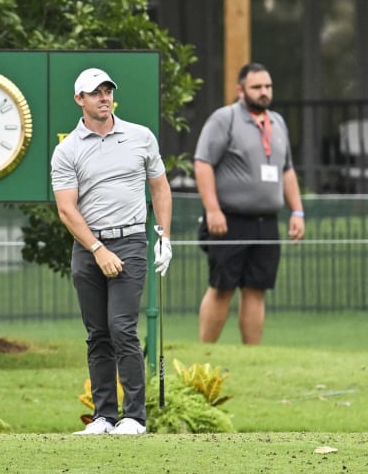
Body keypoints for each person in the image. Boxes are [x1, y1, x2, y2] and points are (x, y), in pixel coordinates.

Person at [51, 67, 173, 436]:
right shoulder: (67, 149)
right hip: (89, 248)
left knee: (122, 328)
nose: (104, 97)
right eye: (95, 92)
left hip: (131, 240)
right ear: (80, 100)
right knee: (97, 333)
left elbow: (160, 187)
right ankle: (104, 416)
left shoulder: (140, 137)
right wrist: (97, 248)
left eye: (107, 91)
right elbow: (66, 209)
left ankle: (134, 417)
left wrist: (164, 236)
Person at [194, 62, 305, 345]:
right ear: (240, 90)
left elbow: (287, 170)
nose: (264, 92)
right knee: (222, 288)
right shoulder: (224, 119)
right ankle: (205, 353)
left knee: (257, 288)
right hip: (229, 220)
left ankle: (251, 355)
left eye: (267, 87)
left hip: (266, 222)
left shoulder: (277, 122)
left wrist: (297, 211)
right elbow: (203, 163)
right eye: (257, 87)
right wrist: (212, 210)